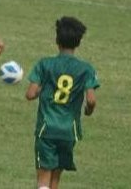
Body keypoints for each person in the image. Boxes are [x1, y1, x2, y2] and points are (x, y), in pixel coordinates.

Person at [25, 17, 99, 189]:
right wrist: (88, 110)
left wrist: (41, 88)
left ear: (57, 40)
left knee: (43, 178)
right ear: (78, 42)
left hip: (46, 128)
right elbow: (91, 99)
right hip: (69, 131)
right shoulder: (86, 69)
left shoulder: (45, 64)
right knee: (55, 180)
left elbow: (30, 94)